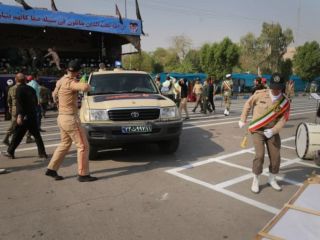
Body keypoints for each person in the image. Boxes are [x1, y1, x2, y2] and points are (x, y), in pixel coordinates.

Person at [46, 60, 97, 182]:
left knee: (64, 144)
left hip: (61, 117)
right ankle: (83, 174)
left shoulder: (60, 81)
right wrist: (87, 83)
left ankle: (52, 169)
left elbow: (54, 95)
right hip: (70, 118)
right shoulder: (70, 82)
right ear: (78, 71)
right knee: (83, 146)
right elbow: (85, 87)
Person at [239, 73, 290, 193]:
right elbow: (248, 104)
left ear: (282, 87)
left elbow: (283, 119)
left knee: (276, 156)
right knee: (260, 155)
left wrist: (273, 131)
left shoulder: (285, 101)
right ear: (270, 85)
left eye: (279, 87)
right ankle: (256, 179)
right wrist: (243, 119)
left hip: (272, 131)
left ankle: (272, 179)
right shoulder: (260, 94)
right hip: (258, 130)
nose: (276, 90)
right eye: (274, 87)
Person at [2, 73, 48, 160]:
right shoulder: (31, 89)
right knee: (36, 135)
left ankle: (10, 152)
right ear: (25, 80)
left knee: (17, 135)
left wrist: (20, 115)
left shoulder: (18, 89)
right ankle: (42, 153)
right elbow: (35, 102)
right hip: (32, 115)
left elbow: (20, 104)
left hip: (23, 116)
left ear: (16, 80)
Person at [2, 78, 18, 146]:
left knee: (14, 124)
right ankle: (7, 139)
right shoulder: (20, 88)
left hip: (14, 108)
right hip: (20, 109)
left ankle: (7, 138)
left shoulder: (10, 89)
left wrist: (10, 107)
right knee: (14, 124)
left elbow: (8, 100)